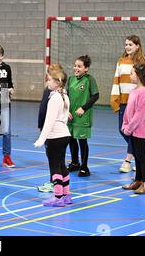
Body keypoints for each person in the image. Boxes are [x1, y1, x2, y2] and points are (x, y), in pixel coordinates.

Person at [110, 35, 145, 173]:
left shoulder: (143, 62)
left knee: (133, 131)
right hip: (123, 102)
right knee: (123, 130)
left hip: (136, 103)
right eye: (126, 44)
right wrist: (115, 100)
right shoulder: (120, 62)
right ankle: (141, 155)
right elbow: (116, 82)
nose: (127, 47)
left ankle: (127, 161)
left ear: (137, 46)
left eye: (130, 44)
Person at [34, 65, 72, 207]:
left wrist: (41, 139)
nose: (47, 82)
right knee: (62, 165)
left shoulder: (55, 98)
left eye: (49, 80)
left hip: (55, 136)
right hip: (65, 135)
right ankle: (66, 195)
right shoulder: (65, 96)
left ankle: (58, 197)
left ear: (57, 83)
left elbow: (49, 122)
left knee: (55, 166)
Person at [121, 64, 145, 194]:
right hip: (132, 130)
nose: (130, 75)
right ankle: (138, 181)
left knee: (141, 156)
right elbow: (128, 111)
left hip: (140, 130)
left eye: (132, 73)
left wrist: (129, 128)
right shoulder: (134, 91)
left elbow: (140, 115)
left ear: (139, 75)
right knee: (136, 154)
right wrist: (125, 124)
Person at [66, 55, 99, 177]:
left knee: (82, 142)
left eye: (79, 66)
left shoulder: (89, 80)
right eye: (75, 65)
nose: (76, 68)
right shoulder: (70, 79)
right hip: (71, 116)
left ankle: (84, 166)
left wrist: (84, 108)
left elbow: (95, 96)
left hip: (82, 117)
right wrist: (66, 110)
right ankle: (75, 163)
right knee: (71, 139)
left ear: (86, 68)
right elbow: (66, 96)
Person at [37, 64, 62, 193]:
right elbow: (42, 110)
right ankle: (56, 182)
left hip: (52, 131)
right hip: (45, 128)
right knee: (53, 158)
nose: (47, 79)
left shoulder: (56, 94)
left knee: (54, 159)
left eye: (50, 76)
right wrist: (40, 125)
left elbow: (48, 112)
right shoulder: (48, 91)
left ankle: (55, 183)